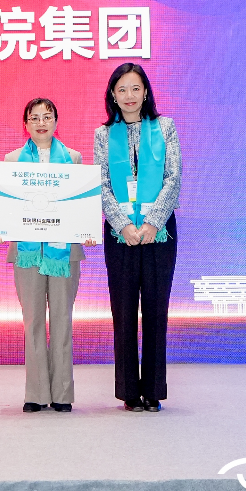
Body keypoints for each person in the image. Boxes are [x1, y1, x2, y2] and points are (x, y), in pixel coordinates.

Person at [0, 97, 95, 414]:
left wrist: (86, 229)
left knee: (63, 320)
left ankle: (63, 393)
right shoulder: (12, 160)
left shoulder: (73, 159)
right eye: (34, 117)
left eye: (47, 117)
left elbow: (81, 204)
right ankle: (36, 392)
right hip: (27, 253)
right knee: (33, 322)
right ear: (25, 123)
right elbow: (5, 206)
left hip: (64, 252)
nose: (41, 123)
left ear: (56, 121)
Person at [95, 63, 181, 412]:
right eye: (122, 90)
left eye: (135, 88)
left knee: (156, 311)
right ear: (112, 96)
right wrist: (122, 225)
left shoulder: (166, 127)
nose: (129, 96)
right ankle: (129, 390)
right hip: (121, 236)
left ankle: (154, 390)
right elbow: (102, 185)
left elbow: (173, 178)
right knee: (124, 312)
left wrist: (152, 223)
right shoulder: (103, 135)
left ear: (145, 92)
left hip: (159, 234)